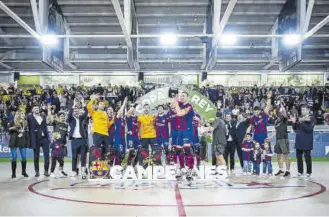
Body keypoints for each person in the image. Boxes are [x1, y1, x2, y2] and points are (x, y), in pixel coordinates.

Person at [174, 92, 195, 179]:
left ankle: (190, 169)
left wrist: (176, 102)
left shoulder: (189, 106)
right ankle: (182, 168)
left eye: (184, 96)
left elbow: (179, 113)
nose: (182, 97)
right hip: (180, 130)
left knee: (187, 150)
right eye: (181, 96)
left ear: (187, 97)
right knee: (178, 150)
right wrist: (174, 98)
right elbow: (173, 106)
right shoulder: (181, 105)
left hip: (188, 130)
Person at [87, 95, 114, 159]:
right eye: (101, 104)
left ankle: (103, 164)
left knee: (107, 150)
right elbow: (88, 107)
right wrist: (93, 99)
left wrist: (113, 120)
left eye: (103, 104)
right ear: (97, 105)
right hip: (97, 133)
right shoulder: (94, 113)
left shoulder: (105, 115)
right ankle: (95, 164)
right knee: (97, 149)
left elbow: (108, 125)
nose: (102, 105)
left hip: (105, 134)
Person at [291, 105, 315, 178]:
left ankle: (309, 172)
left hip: (307, 141)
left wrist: (302, 122)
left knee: (307, 157)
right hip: (299, 140)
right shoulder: (299, 118)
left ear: (308, 110)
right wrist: (294, 122)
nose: (303, 111)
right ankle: (300, 172)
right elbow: (295, 129)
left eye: (304, 110)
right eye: (302, 110)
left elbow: (309, 129)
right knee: (299, 157)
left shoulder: (312, 118)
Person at [27, 104, 51, 177]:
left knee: (47, 156)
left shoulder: (43, 116)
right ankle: (37, 171)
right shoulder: (29, 118)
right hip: (35, 139)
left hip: (44, 139)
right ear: (32, 110)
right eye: (35, 108)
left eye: (37, 108)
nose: (37, 109)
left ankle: (46, 171)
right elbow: (28, 128)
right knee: (36, 156)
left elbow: (46, 126)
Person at [67, 102, 89, 177]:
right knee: (74, 156)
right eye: (74, 111)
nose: (76, 112)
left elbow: (86, 112)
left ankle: (83, 171)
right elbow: (69, 114)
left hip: (82, 140)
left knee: (83, 156)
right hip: (74, 140)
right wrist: (73, 106)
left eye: (77, 111)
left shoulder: (81, 118)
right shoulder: (71, 120)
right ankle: (74, 171)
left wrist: (83, 103)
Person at [8, 110, 30, 178]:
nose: (24, 115)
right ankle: (13, 173)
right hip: (14, 140)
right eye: (22, 113)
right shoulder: (13, 122)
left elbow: (26, 133)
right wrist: (13, 128)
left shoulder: (25, 122)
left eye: (24, 113)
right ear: (18, 114)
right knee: (14, 157)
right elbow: (8, 130)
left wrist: (27, 141)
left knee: (24, 157)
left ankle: (23, 172)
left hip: (22, 141)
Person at [137, 104, 157, 178]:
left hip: (153, 136)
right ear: (143, 109)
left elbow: (157, 125)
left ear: (149, 109)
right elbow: (137, 127)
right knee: (144, 153)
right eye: (145, 108)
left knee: (154, 153)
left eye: (147, 108)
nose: (146, 109)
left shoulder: (153, 117)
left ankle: (153, 170)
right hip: (144, 137)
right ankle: (144, 170)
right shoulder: (139, 117)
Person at [273, 102, 291, 177]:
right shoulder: (276, 121)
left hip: (284, 139)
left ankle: (288, 171)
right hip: (278, 139)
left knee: (286, 155)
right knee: (278, 156)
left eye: (279, 112)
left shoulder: (284, 119)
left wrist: (281, 104)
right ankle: (281, 169)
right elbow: (276, 131)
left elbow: (284, 113)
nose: (278, 113)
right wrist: (270, 137)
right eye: (277, 112)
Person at [113, 97, 128, 165]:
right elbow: (121, 111)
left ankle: (121, 166)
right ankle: (116, 166)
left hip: (123, 138)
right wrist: (124, 103)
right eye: (119, 111)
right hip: (118, 138)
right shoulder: (116, 118)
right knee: (119, 152)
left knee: (123, 153)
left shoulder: (123, 120)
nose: (121, 112)